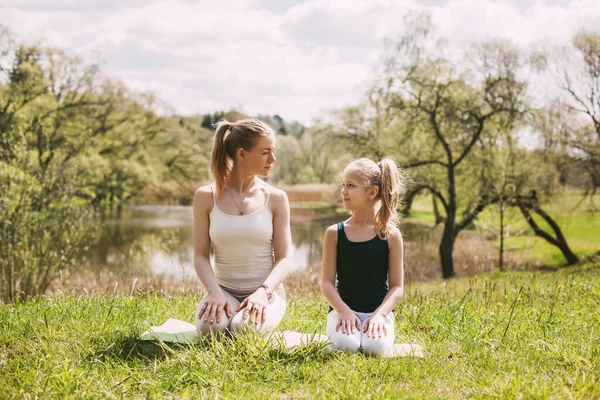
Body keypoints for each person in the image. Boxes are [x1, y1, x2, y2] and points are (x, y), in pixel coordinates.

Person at [193, 118, 292, 337]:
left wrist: (263, 293)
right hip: (223, 290)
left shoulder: (275, 198)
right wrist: (214, 292)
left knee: (243, 329)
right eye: (265, 152)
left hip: (266, 292)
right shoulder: (205, 197)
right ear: (242, 154)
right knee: (211, 329)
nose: (272, 159)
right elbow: (200, 256)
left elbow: (284, 259)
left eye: (273, 151)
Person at [320, 157, 406, 356]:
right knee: (345, 346)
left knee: (375, 349)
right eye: (343, 185)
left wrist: (379, 316)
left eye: (351, 185)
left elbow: (397, 287)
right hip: (342, 311)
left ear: (372, 192)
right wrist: (342, 311)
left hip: (378, 313)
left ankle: (372, 331)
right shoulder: (334, 233)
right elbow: (326, 284)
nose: (343, 191)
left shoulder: (391, 235)